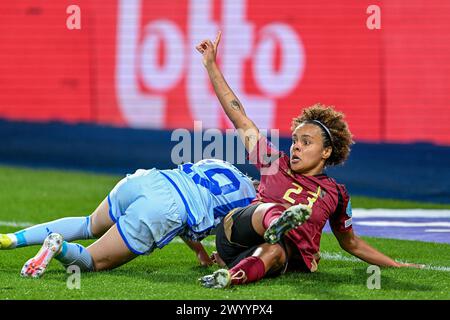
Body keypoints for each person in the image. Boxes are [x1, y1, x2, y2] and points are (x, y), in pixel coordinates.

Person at [195, 32, 424, 289]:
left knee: (274, 252)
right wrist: (211, 65)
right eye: (294, 140)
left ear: (326, 152)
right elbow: (239, 117)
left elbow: (350, 242)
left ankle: (229, 277)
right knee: (268, 211)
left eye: (306, 142)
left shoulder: (336, 194)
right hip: (236, 234)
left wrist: (395, 265)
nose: (295, 147)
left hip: (267, 252)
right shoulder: (273, 162)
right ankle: (278, 221)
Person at [0, 159, 261, 278]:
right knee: (90, 264)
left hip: (149, 180)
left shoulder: (224, 165)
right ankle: (60, 248)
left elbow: (192, 194)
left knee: (88, 223)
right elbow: (226, 231)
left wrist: (199, 253)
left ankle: (11, 239)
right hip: (164, 210)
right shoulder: (249, 202)